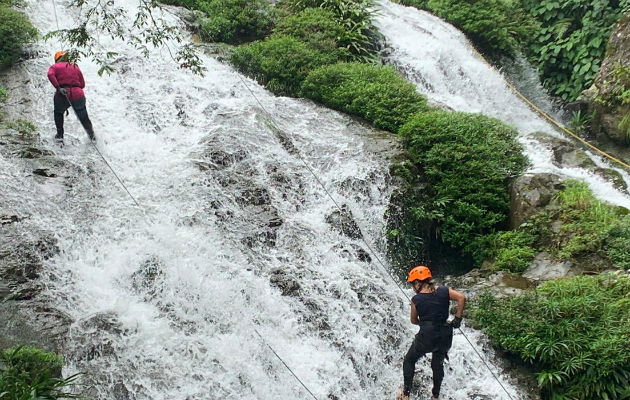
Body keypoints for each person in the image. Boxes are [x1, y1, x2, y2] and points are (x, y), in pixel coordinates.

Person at [397, 265, 466, 400]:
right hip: (445, 335)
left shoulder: (416, 300)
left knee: (409, 360)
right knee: (437, 364)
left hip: (427, 337)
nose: (413, 287)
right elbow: (462, 298)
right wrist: (457, 319)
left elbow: (413, 320)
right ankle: (435, 396)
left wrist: (424, 323)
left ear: (418, 282)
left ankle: (406, 394)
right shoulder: (444, 291)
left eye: (413, 284)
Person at [47, 51, 95, 143]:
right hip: (78, 93)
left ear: (56, 59)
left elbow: (50, 75)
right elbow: (82, 84)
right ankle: (92, 136)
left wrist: (58, 87)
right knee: (83, 116)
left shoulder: (54, 67)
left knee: (58, 113)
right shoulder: (75, 66)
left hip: (62, 94)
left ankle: (60, 136)